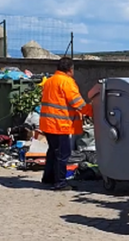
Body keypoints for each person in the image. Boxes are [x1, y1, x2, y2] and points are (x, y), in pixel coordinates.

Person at [39, 57, 93, 191]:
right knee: (63, 154)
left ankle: (48, 178)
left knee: (53, 151)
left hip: (47, 123)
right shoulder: (67, 82)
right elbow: (77, 103)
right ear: (70, 69)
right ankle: (60, 182)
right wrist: (93, 111)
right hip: (60, 124)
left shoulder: (49, 81)